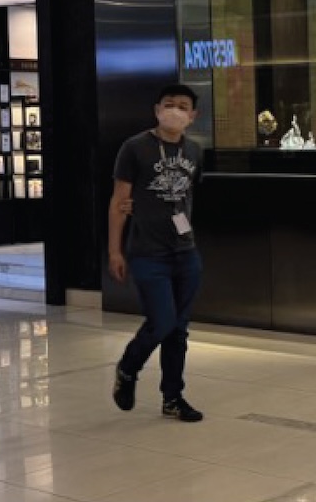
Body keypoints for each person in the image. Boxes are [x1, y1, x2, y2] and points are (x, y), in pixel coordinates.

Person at [109, 84, 205, 423]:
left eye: (183, 106)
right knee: (162, 321)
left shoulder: (194, 151)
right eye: (169, 104)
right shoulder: (134, 148)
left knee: (178, 329)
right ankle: (128, 367)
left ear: (192, 116)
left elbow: (187, 198)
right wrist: (115, 250)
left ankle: (173, 397)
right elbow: (118, 202)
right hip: (148, 253)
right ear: (157, 109)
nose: (175, 111)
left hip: (185, 252)